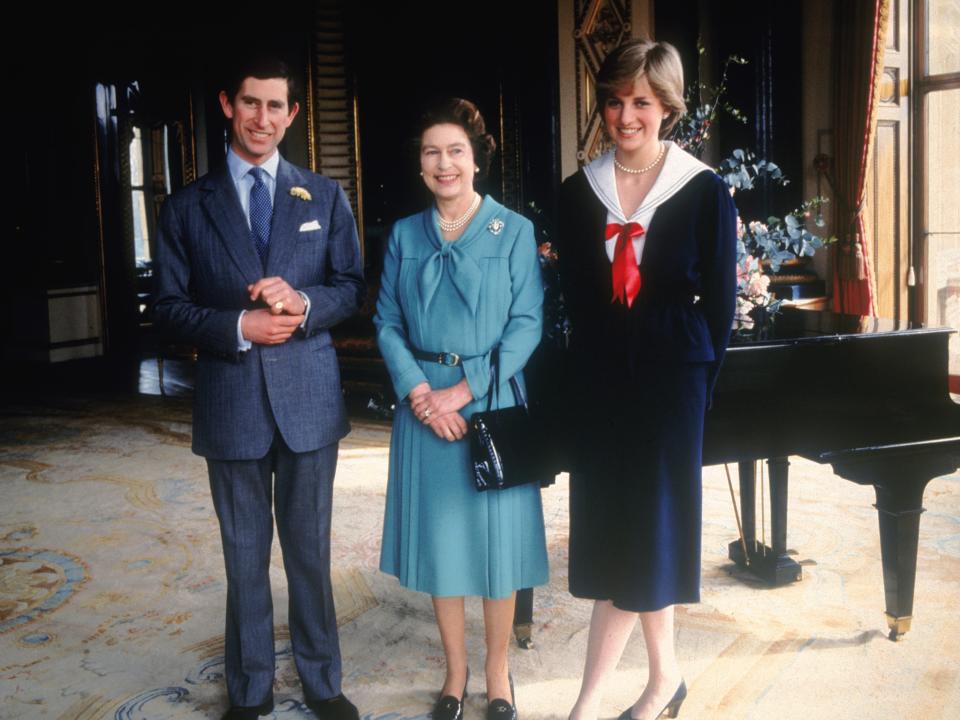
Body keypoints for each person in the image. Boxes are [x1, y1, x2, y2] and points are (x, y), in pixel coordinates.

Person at [152, 55, 365, 720]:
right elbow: (166, 306)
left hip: (309, 401)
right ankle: (249, 692)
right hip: (232, 401)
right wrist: (237, 324)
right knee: (244, 558)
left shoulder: (324, 197)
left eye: (276, 107)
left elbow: (350, 288)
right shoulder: (187, 206)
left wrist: (301, 305)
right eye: (250, 104)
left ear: (293, 114)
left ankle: (322, 682)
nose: (262, 119)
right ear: (227, 104)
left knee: (310, 552)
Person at [557, 40, 737, 720]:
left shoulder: (703, 189)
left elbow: (719, 306)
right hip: (602, 383)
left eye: (641, 102)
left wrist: (695, 386)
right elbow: (576, 298)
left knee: (647, 534)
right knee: (621, 536)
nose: (626, 115)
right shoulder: (579, 195)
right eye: (614, 101)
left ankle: (586, 704)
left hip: (671, 385)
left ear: (666, 106)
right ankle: (666, 680)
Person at [374, 97, 548, 720]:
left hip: (490, 404)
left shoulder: (515, 231)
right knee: (445, 547)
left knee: (497, 549)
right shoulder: (403, 235)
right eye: (431, 152)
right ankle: (456, 673)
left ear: (477, 160)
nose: (443, 163)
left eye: (455, 151)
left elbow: (527, 326)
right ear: (420, 165)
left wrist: (463, 391)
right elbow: (387, 322)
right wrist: (422, 394)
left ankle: (498, 673)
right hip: (423, 407)